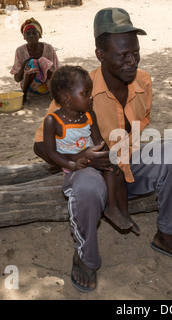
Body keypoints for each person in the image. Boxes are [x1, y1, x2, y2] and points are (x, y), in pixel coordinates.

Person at [34, 8, 172, 293]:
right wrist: (80, 159)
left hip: (126, 166)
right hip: (93, 173)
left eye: (135, 53)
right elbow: (41, 145)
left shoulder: (143, 82)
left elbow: (137, 130)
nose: (131, 61)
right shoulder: (79, 91)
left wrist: (125, 163)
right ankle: (86, 257)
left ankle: (168, 236)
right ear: (100, 54)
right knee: (87, 184)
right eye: (122, 55)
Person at [44, 65, 135, 235]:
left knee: (117, 170)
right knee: (99, 174)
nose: (91, 97)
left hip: (91, 159)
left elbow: (99, 141)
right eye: (86, 93)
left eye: (90, 92)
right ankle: (111, 207)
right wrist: (72, 164)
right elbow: (51, 152)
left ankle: (119, 211)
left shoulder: (88, 115)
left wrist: (109, 156)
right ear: (66, 98)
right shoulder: (53, 121)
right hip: (72, 165)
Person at [10, 18, 61, 104]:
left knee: (43, 61)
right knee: (32, 62)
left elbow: (57, 72)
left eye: (34, 33)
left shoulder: (48, 48)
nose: (31, 36)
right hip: (30, 88)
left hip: (47, 87)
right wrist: (24, 64)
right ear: (24, 37)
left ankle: (53, 95)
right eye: (28, 34)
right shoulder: (20, 51)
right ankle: (24, 95)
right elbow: (17, 79)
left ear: (40, 35)